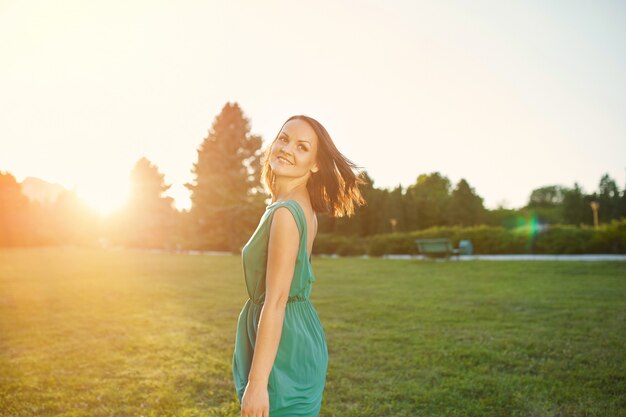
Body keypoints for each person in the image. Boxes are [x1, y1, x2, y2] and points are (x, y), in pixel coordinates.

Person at [232, 115, 367, 416]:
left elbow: (277, 301)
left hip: (284, 346)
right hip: (299, 331)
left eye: (302, 147)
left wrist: (257, 383)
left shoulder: (285, 214)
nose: (287, 149)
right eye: (284, 138)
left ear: (315, 163)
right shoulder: (301, 206)